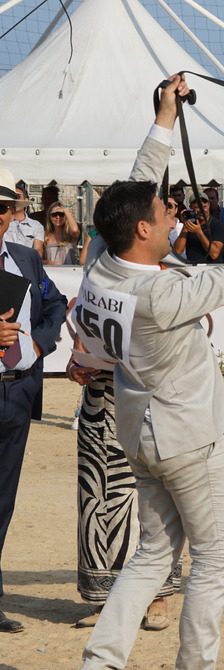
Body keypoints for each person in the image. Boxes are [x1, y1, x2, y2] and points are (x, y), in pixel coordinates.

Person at [70, 74, 224, 670]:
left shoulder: (102, 263)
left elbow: (138, 190)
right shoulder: (161, 293)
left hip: (140, 434)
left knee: (150, 557)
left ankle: (97, 669)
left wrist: (164, 116)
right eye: (162, 210)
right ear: (143, 231)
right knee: (215, 559)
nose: (170, 207)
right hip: (187, 438)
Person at [66, 336, 181, 632]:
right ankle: (105, 599)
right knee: (96, 497)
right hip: (100, 400)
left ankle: (158, 597)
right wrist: (76, 363)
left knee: (153, 499)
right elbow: (84, 333)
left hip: (151, 398)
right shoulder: (95, 288)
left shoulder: (163, 289)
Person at [0, 169, 68, 635]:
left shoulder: (25, 257)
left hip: (19, 389)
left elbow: (57, 304)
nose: (7, 217)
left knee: (3, 501)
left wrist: (41, 344)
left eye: (10, 208)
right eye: (2, 208)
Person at [172, 195, 224, 264]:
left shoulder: (217, 225)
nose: (201, 210)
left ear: (209, 205)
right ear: (191, 207)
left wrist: (199, 233)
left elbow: (214, 254)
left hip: (212, 269)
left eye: (204, 207)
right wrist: (186, 224)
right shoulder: (190, 226)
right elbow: (177, 251)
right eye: (196, 207)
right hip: (193, 269)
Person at [3, 186, 45, 259]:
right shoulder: (3, 221)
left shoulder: (36, 225)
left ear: (26, 200)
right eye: (13, 197)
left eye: (18, 196)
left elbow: (38, 250)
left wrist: (32, 264)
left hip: (26, 263)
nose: (15, 200)